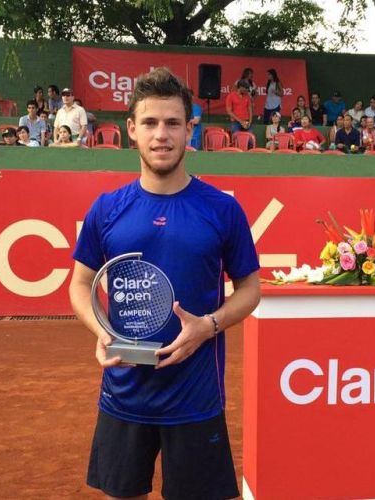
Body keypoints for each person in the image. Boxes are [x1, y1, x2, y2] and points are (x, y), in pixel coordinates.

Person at [68, 66, 260, 500]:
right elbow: (79, 285)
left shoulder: (222, 210)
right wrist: (101, 331)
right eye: (150, 123)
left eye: (174, 123)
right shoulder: (107, 208)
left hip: (196, 398)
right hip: (124, 394)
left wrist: (207, 326)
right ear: (131, 130)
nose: (162, 135)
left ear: (190, 130)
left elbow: (251, 289)